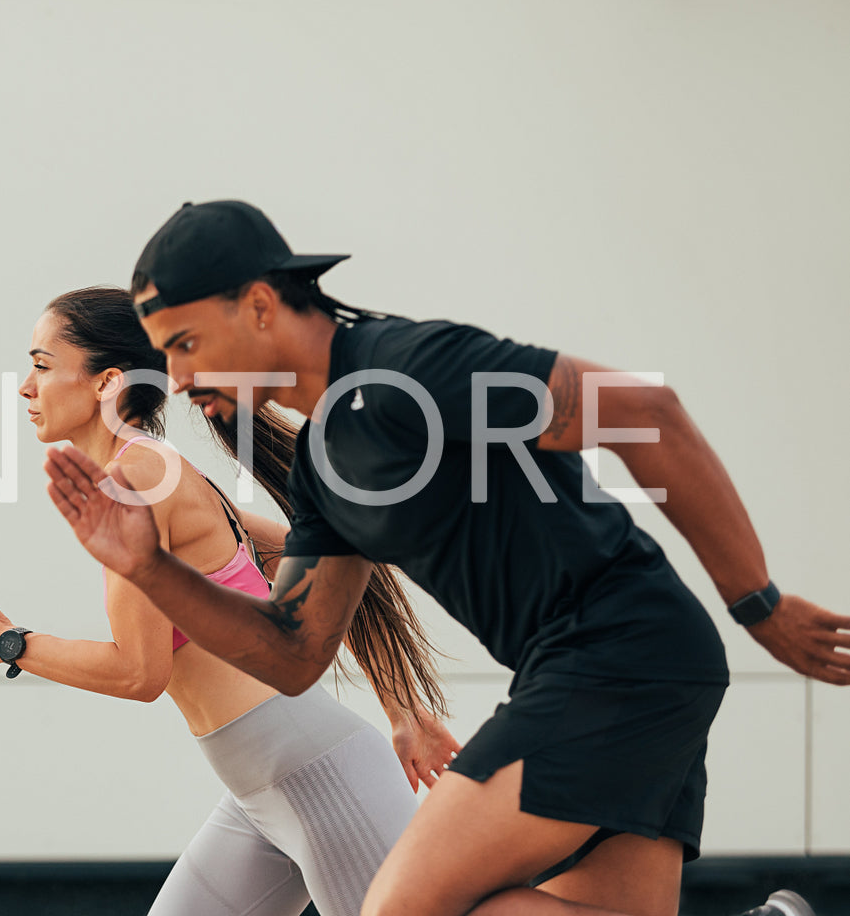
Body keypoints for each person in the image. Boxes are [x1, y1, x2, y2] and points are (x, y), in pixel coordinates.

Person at [42, 201, 850, 916]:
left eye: (185, 344)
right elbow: (291, 652)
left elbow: (644, 413)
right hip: (601, 668)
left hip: (617, 658)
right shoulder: (326, 460)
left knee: (401, 909)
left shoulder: (406, 371)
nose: (176, 379)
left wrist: (760, 604)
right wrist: (153, 570)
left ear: (258, 306)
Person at [0, 286, 460, 916]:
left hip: (317, 779)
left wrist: (9, 643)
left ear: (105, 383)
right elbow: (338, 559)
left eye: (40, 365)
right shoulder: (157, 470)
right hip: (262, 793)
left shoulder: (134, 482)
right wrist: (403, 711)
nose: (24, 388)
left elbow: (140, 673)